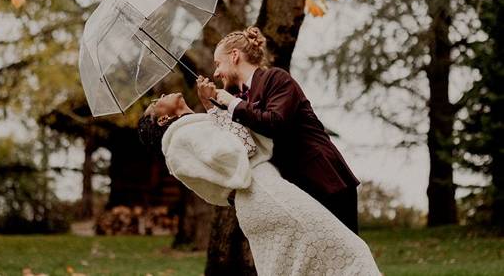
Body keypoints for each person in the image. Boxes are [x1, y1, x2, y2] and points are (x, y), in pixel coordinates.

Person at [138, 93, 381, 275]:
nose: (161, 96)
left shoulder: (185, 139)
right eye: (156, 102)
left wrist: (215, 110)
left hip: (253, 202)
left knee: (294, 267)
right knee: (349, 253)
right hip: (265, 193)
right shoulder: (185, 135)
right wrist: (220, 111)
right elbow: (237, 151)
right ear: (164, 119)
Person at [197, 26, 362, 234]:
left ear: (235, 56)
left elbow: (275, 122)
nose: (215, 72)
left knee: (347, 258)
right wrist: (209, 104)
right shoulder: (240, 99)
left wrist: (233, 104)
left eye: (218, 63)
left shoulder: (276, 79)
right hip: (296, 189)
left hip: (325, 181)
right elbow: (238, 141)